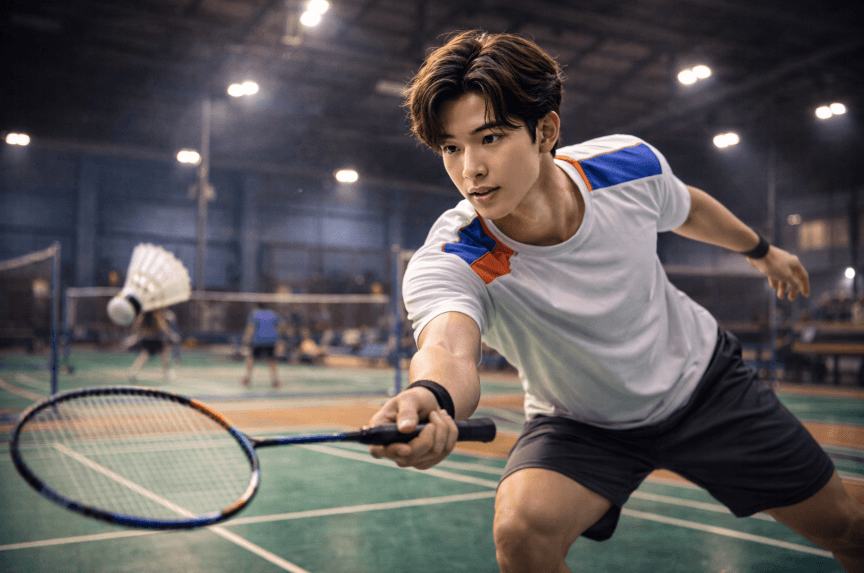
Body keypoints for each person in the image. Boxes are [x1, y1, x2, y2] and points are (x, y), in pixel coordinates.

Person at [366, 30, 864, 572]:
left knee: (846, 527)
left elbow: (686, 206)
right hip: (581, 421)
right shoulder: (454, 255)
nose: (471, 170)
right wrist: (431, 396)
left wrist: (761, 250)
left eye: (489, 138)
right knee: (521, 533)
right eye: (451, 147)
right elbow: (450, 348)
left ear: (545, 131)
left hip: (701, 387)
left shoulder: (626, 167)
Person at [241, 303, 286, 388]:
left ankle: (247, 378)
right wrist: (278, 336)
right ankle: (275, 380)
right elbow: (282, 325)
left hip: (258, 339)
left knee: (251, 358)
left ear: (256, 307)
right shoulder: (273, 313)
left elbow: (250, 327)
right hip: (272, 339)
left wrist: (246, 339)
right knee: (271, 360)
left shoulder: (254, 314)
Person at [127, 308, 178, 380]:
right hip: (154, 338)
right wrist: (170, 334)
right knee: (162, 354)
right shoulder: (156, 313)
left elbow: (137, 324)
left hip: (147, 338)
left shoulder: (143, 313)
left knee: (148, 354)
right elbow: (162, 325)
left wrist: (135, 335)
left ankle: (134, 372)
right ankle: (166, 373)